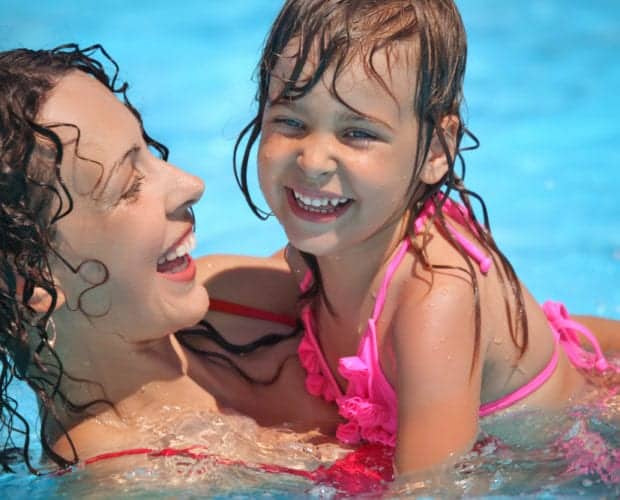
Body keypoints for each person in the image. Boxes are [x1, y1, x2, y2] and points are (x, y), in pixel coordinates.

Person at [233, 0, 620, 475]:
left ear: (436, 149)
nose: (312, 161)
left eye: (357, 133)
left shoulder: (434, 300)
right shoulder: (318, 251)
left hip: (574, 449)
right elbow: (202, 290)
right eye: (290, 121)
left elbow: (434, 487)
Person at [0, 44, 339, 477]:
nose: (190, 184)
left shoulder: (225, 294)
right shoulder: (136, 481)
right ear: (33, 278)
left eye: (149, 150)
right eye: (127, 185)